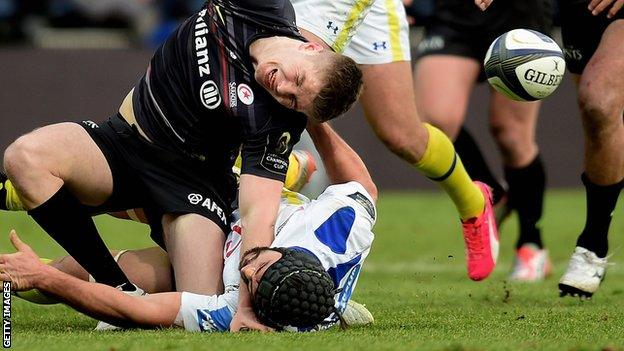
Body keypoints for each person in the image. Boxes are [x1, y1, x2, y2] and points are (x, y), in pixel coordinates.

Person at [0, 0, 363, 331]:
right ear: (309, 46)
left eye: (293, 98)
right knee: (25, 157)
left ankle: (296, 301)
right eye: (296, 80)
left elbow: (259, 207)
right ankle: (119, 287)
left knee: (203, 302)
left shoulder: (276, 118)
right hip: (122, 146)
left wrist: (251, 290)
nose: (281, 87)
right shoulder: (260, 7)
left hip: (193, 186)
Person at [1, 122, 377, 331]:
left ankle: (16, 273)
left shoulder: (237, 311)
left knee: (89, 274)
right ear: (294, 250)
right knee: (301, 166)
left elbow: (135, 312)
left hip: (202, 235)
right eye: (263, 264)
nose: (250, 267)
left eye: (253, 282)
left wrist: (45, 278)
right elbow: (363, 186)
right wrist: (314, 119)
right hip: (225, 194)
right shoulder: (338, 230)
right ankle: (19, 195)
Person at [412, 0, 553, 281]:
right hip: (455, 13)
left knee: (511, 133)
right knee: (433, 121)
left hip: (518, 12)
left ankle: (531, 244)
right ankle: (492, 193)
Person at [554, 0, 624, 298]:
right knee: (598, 117)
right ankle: (595, 237)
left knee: (599, 98)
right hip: (582, 8)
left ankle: (592, 244)